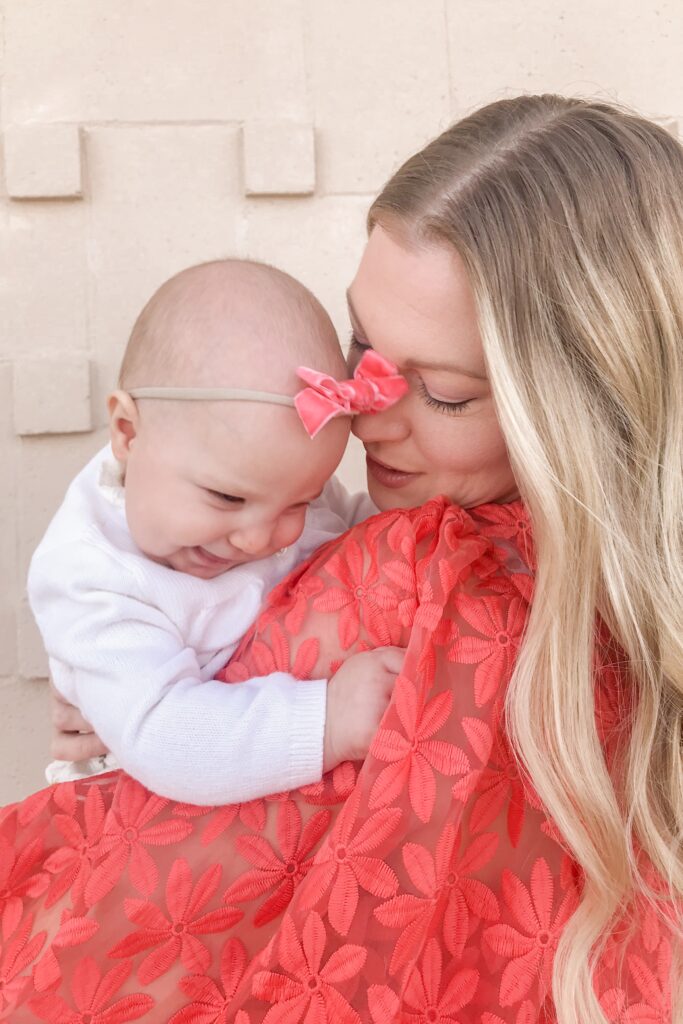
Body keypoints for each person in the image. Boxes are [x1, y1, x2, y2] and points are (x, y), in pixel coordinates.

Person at [1, 94, 681, 1023]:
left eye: (441, 393)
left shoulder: (433, 568)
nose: (363, 415)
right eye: (361, 348)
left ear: (589, 401)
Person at [28, 259, 407, 805]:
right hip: (146, 827)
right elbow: (166, 737)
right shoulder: (93, 577)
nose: (258, 540)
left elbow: (362, 532)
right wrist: (326, 719)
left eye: (299, 502)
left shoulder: (263, 477)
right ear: (129, 435)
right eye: (227, 498)